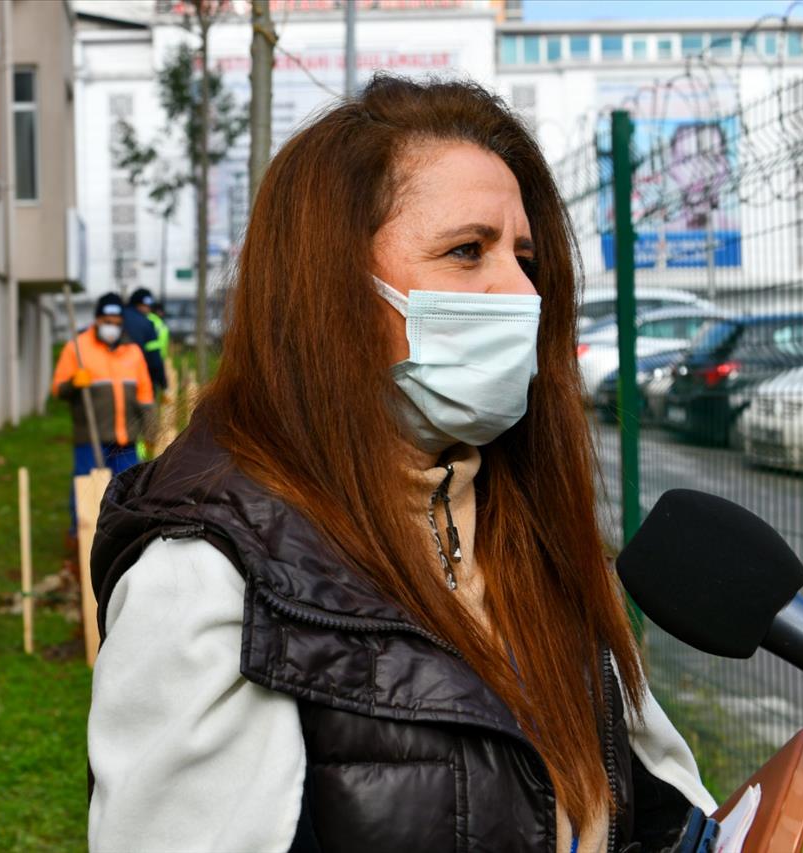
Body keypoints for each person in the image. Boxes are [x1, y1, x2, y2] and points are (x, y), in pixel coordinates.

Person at [87, 77, 716, 852]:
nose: (522, 291)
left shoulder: (528, 531)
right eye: (466, 250)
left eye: (525, 256)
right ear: (332, 288)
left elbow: (646, 803)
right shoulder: (211, 572)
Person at [51, 293, 154, 533]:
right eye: (107, 321)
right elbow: (58, 389)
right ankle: (81, 539)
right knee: (87, 492)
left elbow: (145, 395)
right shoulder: (77, 348)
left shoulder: (132, 352)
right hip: (92, 435)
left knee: (130, 490)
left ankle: (123, 538)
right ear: (97, 320)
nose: (112, 327)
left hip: (126, 438)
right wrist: (74, 384)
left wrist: (151, 429)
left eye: (117, 323)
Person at [122, 288, 168, 396]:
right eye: (147, 306)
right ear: (140, 305)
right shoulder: (146, 324)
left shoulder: (117, 317)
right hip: (138, 376)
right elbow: (154, 358)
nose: (148, 309)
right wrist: (162, 383)